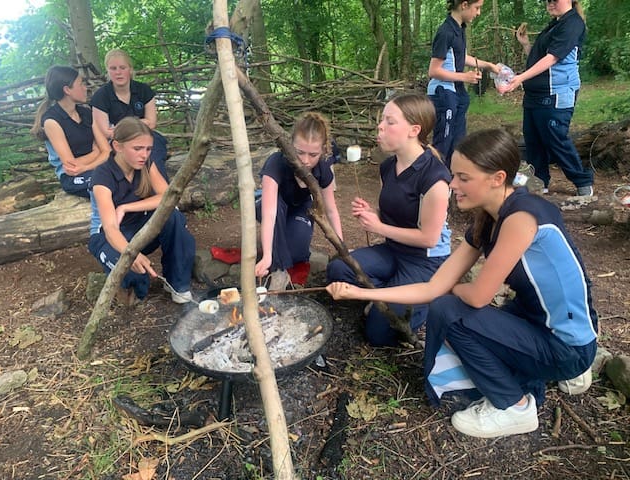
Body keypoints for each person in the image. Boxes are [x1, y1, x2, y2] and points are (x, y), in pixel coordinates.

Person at [326, 129, 598, 439]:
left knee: (450, 312)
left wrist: (452, 288)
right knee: (448, 304)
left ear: (497, 178)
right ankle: (537, 377)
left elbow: (477, 296)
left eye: (462, 177)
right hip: (546, 325)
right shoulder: (490, 217)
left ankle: (515, 406)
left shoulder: (521, 218)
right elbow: (432, 286)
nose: (452, 184)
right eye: (453, 175)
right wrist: (360, 292)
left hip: (567, 345)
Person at [326, 93, 452, 347]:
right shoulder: (388, 167)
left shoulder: (435, 178)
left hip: (424, 260)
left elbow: (429, 238)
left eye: (390, 122)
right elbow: (394, 215)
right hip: (394, 250)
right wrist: (373, 214)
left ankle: (427, 298)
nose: (380, 127)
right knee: (338, 269)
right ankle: (392, 292)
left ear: (414, 130)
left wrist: (379, 227)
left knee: (378, 333)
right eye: (381, 120)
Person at [88, 117, 195, 305]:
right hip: (108, 236)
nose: (144, 155)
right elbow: (111, 229)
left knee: (173, 216)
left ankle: (177, 284)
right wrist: (132, 254)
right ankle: (130, 284)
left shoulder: (145, 164)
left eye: (148, 149)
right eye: (137, 148)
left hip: (138, 228)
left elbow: (168, 198)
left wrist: (126, 207)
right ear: (118, 146)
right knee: (135, 276)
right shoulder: (102, 175)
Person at [501, 0, 593, 196]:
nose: (550, 4)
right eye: (547, 1)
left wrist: (519, 79)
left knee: (555, 138)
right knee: (533, 139)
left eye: (554, 0)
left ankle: (583, 182)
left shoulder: (573, 23)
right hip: (535, 94)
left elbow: (552, 58)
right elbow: (540, 59)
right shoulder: (555, 24)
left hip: (557, 92)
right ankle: (538, 181)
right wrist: (526, 44)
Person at [255, 112, 343, 291]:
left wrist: (341, 246)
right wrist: (268, 256)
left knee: (296, 254)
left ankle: (278, 241)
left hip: (299, 207)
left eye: (313, 154)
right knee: (277, 214)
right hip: (271, 205)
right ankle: (277, 270)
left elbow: (331, 209)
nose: (305, 160)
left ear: (323, 150)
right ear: (290, 145)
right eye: (300, 152)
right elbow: (269, 213)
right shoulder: (276, 163)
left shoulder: (323, 168)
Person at [427, 0, 501, 167]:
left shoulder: (460, 29)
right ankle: (435, 177)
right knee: (443, 142)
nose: (478, 13)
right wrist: (464, 77)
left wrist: (489, 65)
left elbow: (461, 57)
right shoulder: (445, 32)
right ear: (464, 5)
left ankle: (454, 177)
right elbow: (433, 71)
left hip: (457, 92)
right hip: (443, 92)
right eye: (477, 8)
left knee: (459, 142)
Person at [31, 66, 110, 198]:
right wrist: (96, 152)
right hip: (73, 178)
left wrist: (87, 165)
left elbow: (107, 151)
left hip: (97, 167)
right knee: (106, 186)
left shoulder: (86, 113)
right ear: (67, 90)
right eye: (81, 84)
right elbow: (71, 166)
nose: (85, 88)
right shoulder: (52, 121)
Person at [90, 49, 169, 181]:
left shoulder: (144, 90)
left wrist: (122, 127)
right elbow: (106, 132)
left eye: (122, 68)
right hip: (119, 141)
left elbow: (152, 123)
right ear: (107, 71)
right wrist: (139, 124)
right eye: (113, 68)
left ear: (130, 69)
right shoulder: (101, 96)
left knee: (153, 155)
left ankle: (163, 191)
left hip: (146, 136)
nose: (118, 72)